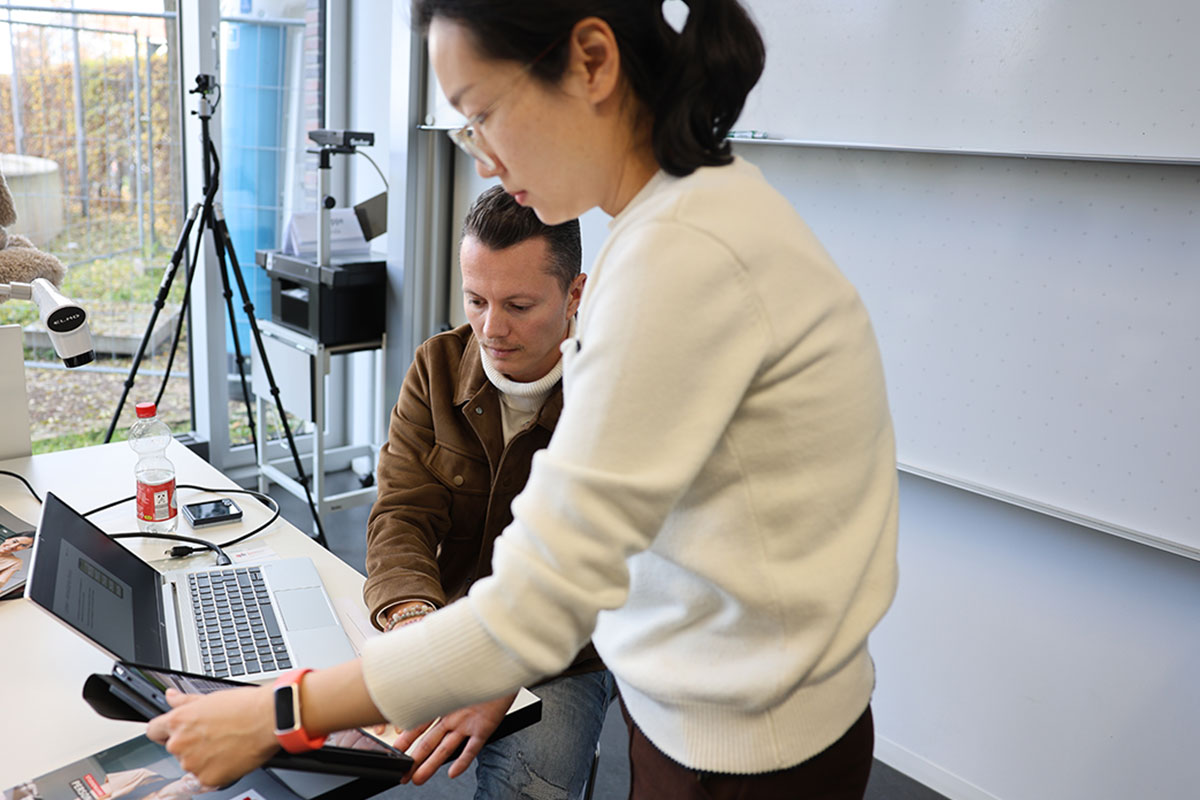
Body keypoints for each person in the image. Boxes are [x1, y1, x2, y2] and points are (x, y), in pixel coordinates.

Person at [148, 2, 900, 798]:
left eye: (483, 114)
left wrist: (277, 712)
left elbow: (541, 598)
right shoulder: (685, 221)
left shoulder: (680, 259)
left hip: (746, 750)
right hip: (719, 713)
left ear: (592, 62)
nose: (481, 158)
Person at [362, 184, 608, 795]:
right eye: (476, 300)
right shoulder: (436, 366)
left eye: (519, 305)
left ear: (574, 293)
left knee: (531, 786)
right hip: (446, 617)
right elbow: (401, 512)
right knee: (332, 751)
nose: (491, 329)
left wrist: (504, 667)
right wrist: (414, 624)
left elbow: (603, 573)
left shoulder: (611, 392)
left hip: (564, 646)